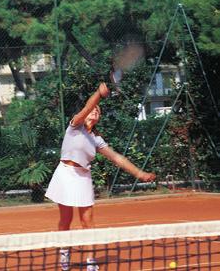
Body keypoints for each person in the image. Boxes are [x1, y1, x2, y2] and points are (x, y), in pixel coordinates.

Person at [45, 82, 156, 271]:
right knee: (66, 220)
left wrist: (140, 173)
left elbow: (117, 158)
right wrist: (98, 94)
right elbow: (88, 106)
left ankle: (91, 262)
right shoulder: (75, 126)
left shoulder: (96, 139)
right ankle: (64, 254)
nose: (95, 112)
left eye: (98, 111)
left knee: (87, 221)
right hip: (65, 174)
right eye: (93, 110)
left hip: (83, 177)